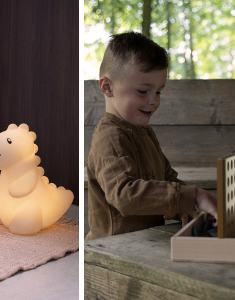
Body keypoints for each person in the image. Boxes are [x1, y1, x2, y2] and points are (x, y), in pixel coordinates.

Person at [86, 32, 218, 242]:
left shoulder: (146, 133)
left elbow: (166, 178)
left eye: (158, 92)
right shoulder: (109, 137)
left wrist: (182, 207)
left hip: (145, 242)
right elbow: (124, 195)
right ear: (107, 87)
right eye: (142, 91)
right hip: (112, 251)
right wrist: (194, 196)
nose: (153, 101)